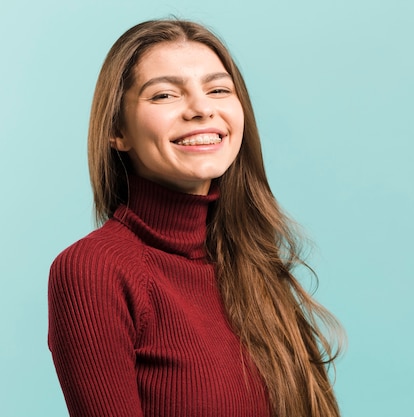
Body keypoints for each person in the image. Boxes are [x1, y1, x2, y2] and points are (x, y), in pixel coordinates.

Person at [48, 19, 342, 417]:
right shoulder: (94, 270)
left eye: (218, 89)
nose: (202, 108)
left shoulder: (252, 263)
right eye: (165, 94)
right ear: (117, 130)